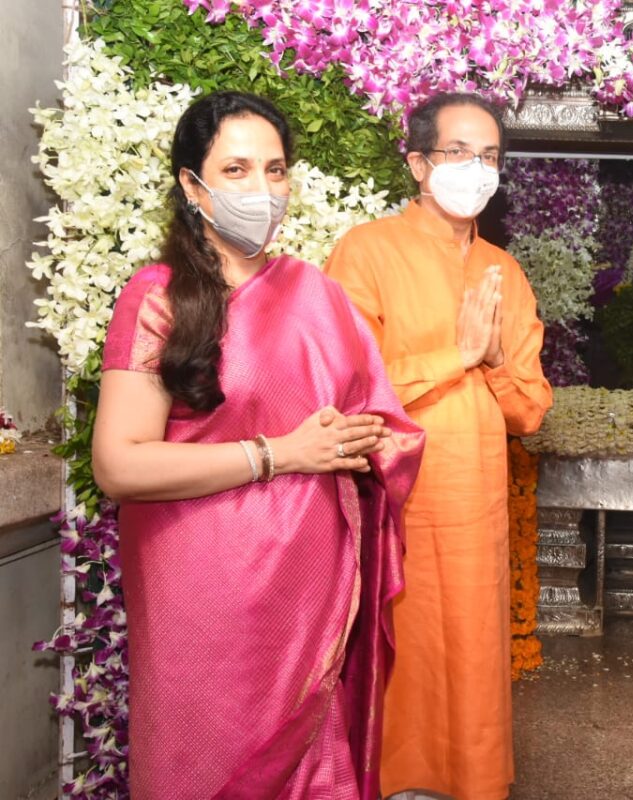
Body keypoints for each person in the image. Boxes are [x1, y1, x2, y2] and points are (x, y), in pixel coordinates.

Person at [91, 91, 425, 799]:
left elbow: (375, 425)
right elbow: (119, 464)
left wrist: (365, 444)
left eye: (275, 170)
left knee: (313, 762)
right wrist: (280, 453)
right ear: (193, 186)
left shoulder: (315, 294)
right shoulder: (160, 298)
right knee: (206, 762)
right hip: (201, 587)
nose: (262, 189)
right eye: (236, 170)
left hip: (308, 588)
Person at [324, 92, 553, 800]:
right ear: (419, 164)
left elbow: (530, 410)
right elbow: (343, 389)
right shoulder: (366, 251)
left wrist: (493, 361)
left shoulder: (503, 270)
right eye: (458, 152)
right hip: (396, 506)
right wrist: (457, 356)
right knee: (403, 653)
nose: (476, 169)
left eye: (490, 156)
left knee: (473, 653)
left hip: (477, 511)